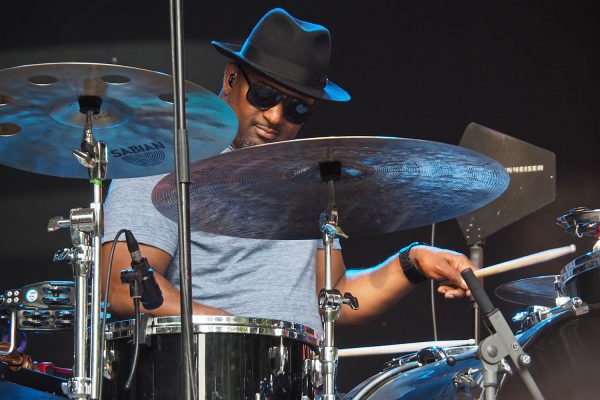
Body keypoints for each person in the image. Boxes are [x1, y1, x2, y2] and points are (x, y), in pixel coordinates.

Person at [102, 8, 474, 334]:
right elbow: (124, 287)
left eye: (297, 109)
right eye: (264, 95)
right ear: (232, 78)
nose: (276, 117)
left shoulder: (304, 175)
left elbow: (335, 300)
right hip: (212, 376)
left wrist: (414, 261)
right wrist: (236, 334)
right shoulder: (167, 159)